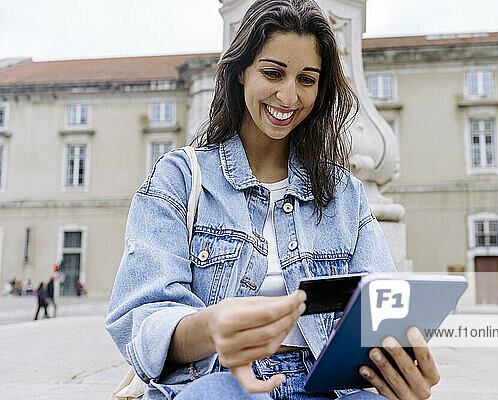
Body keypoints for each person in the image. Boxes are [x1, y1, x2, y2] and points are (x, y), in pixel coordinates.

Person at [106, 1, 440, 399]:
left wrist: (399, 370)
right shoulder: (180, 177)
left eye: (307, 79)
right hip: (220, 381)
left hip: (331, 386)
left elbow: (381, 311)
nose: (289, 95)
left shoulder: (345, 194)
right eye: (273, 73)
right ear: (241, 71)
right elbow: (141, 318)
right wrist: (210, 327)